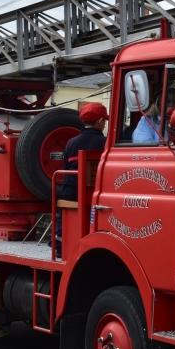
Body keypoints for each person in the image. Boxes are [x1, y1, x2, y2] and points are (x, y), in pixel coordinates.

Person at [54, 102, 109, 256]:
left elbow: (65, 167)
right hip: (94, 194)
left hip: (70, 191)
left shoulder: (71, 142)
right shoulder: (105, 143)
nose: (104, 124)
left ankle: (59, 243)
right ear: (99, 122)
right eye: (104, 121)